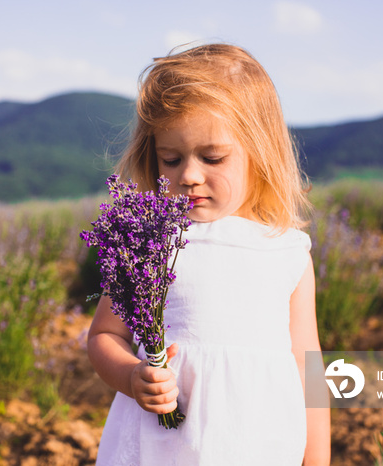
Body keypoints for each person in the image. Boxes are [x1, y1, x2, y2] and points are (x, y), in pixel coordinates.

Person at [87, 43, 330, 465]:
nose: (189, 176)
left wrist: (317, 459)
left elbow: (309, 366)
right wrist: (131, 376)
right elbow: (104, 336)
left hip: (258, 444)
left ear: (260, 154)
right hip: (160, 448)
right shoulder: (150, 243)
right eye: (172, 159)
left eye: (212, 157)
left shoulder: (286, 250)